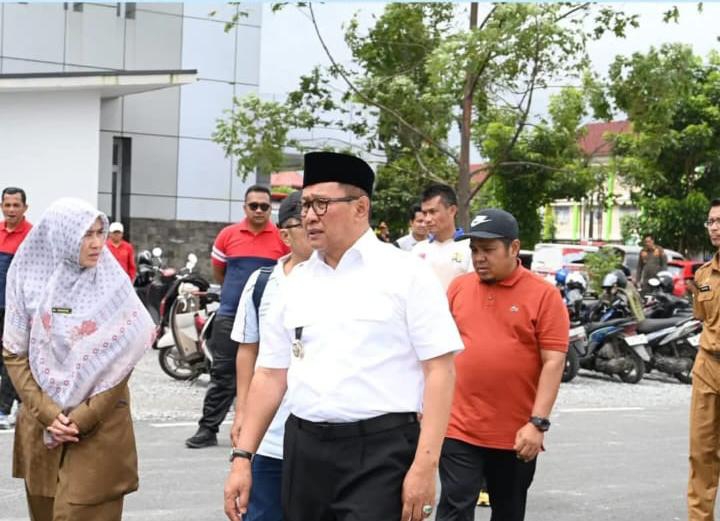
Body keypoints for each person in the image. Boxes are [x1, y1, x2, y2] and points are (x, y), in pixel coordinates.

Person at [223, 151, 463, 521]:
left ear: (360, 207)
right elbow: (270, 374)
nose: (309, 216)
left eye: (321, 204)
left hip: (380, 452)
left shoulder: (406, 275)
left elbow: (440, 371)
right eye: (305, 205)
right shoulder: (294, 283)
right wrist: (243, 458)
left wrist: (425, 466)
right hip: (304, 450)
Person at [2, 198, 155, 521]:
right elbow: (14, 353)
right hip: (41, 427)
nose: (97, 243)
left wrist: (82, 417)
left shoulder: (112, 283)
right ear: (62, 236)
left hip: (97, 427)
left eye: (100, 233)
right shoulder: (28, 278)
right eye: (86, 234)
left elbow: (123, 357)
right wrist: (47, 412)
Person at [436, 208, 569, 521]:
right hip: (459, 427)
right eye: (474, 250)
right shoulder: (458, 288)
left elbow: (553, 361)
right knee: (454, 507)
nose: (479, 258)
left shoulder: (544, 295)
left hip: (516, 434)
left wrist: (538, 423)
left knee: (508, 511)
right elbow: (439, 352)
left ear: (514, 248)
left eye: (488, 250)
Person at [226, 191, 312, 521]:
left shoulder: (343, 282)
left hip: (320, 438)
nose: (314, 227)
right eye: (304, 223)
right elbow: (248, 350)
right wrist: (242, 412)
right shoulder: (263, 283)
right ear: (285, 234)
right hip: (269, 436)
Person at [186, 185, 289, 449]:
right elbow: (219, 272)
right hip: (230, 315)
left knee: (268, 373)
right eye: (253, 205)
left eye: (264, 206)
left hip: (269, 319)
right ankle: (207, 429)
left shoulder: (281, 238)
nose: (259, 210)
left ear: (270, 209)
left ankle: (262, 434)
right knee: (222, 374)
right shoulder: (227, 235)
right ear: (245, 208)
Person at [687, 198, 720, 520]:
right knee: (701, 453)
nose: (715, 227)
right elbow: (702, 318)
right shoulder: (703, 275)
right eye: (711, 221)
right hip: (708, 366)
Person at [0, 187, 32, 429]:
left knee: (10, 358)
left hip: (16, 309)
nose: (11, 210)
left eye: (16, 205)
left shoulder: (32, 236)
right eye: (7, 205)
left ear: (25, 207)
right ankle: (23, 403)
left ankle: (3, 410)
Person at [412, 184, 473, 290]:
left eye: (432, 212)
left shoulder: (470, 248)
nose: (427, 219)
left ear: (452, 210)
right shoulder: (418, 249)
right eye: (425, 213)